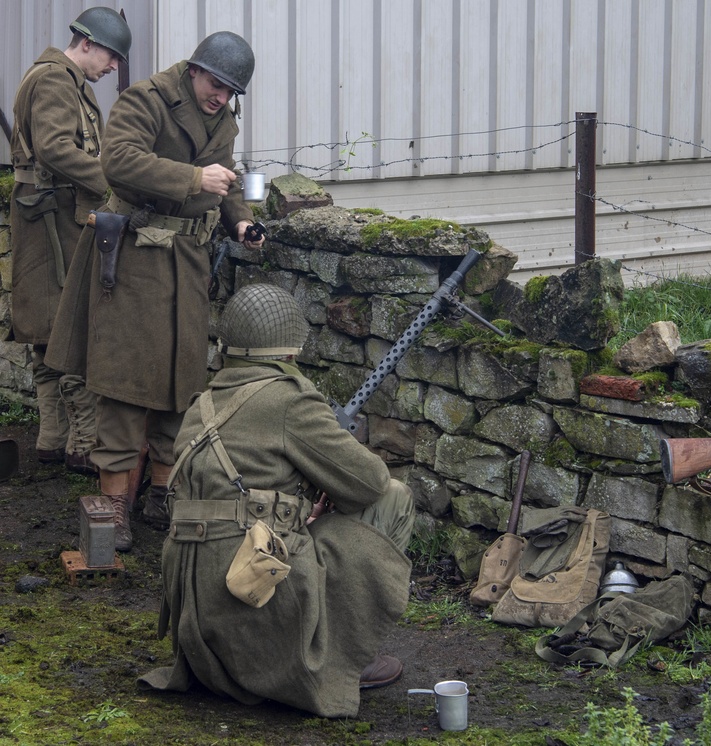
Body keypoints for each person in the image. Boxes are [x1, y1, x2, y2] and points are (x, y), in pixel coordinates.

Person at [138, 284, 413, 717]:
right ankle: (344, 657)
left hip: (196, 610)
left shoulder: (202, 404)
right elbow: (370, 482)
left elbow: (233, 495)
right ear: (289, 352)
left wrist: (299, 507)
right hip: (250, 588)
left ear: (227, 347)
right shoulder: (291, 400)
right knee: (394, 496)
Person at [46, 31, 265, 552]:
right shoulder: (146, 98)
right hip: (134, 256)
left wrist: (242, 222)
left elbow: (225, 180)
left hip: (186, 263)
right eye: (217, 84)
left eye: (232, 90)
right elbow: (116, 162)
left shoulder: (222, 118)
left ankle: (160, 497)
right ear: (194, 70)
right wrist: (192, 178)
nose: (222, 96)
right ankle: (114, 505)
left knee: (181, 381)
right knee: (125, 383)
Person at [10, 7, 132, 473]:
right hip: (53, 218)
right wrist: (114, 182)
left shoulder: (59, 78)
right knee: (67, 328)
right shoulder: (57, 81)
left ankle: (52, 439)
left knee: (47, 330)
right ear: (87, 44)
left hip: (48, 214)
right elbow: (57, 149)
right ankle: (81, 443)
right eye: (112, 56)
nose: (114, 67)